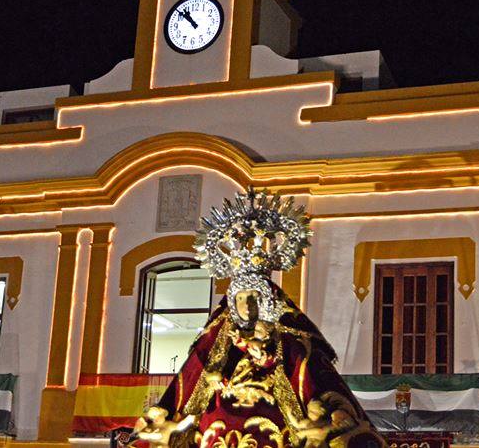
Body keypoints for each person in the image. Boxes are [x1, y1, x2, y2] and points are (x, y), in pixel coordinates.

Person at [132, 190, 385, 448]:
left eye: (253, 298)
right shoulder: (217, 338)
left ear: (265, 300)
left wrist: (268, 356)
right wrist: (213, 376)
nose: (247, 306)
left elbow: (300, 370)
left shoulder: (286, 336)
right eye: (241, 299)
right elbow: (194, 379)